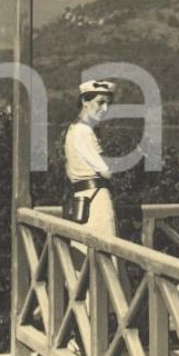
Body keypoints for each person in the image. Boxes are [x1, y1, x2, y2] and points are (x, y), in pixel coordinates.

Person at [63, 79, 118, 239]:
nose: (105, 109)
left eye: (108, 104)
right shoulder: (84, 132)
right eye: (100, 102)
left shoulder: (74, 129)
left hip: (81, 199)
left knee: (85, 250)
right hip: (96, 201)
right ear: (84, 101)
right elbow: (107, 172)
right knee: (105, 248)